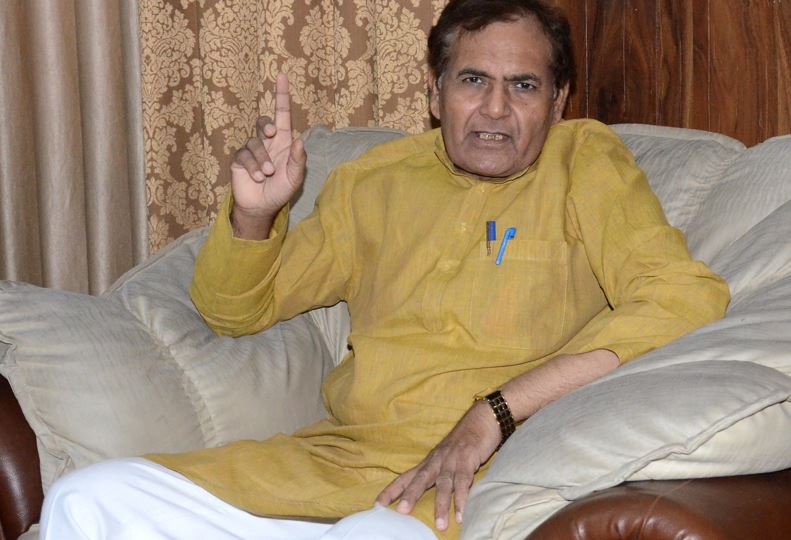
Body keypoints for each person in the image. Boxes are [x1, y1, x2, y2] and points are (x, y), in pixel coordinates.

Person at [40, 0, 730, 538]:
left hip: (473, 480)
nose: (495, 110)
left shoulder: (584, 162)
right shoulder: (375, 180)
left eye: (523, 86)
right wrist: (254, 214)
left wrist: (496, 410)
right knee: (86, 498)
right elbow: (234, 310)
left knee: (371, 535)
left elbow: (682, 299)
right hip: (330, 465)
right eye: (472, 81)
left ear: (557, 101)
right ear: (435, 94)